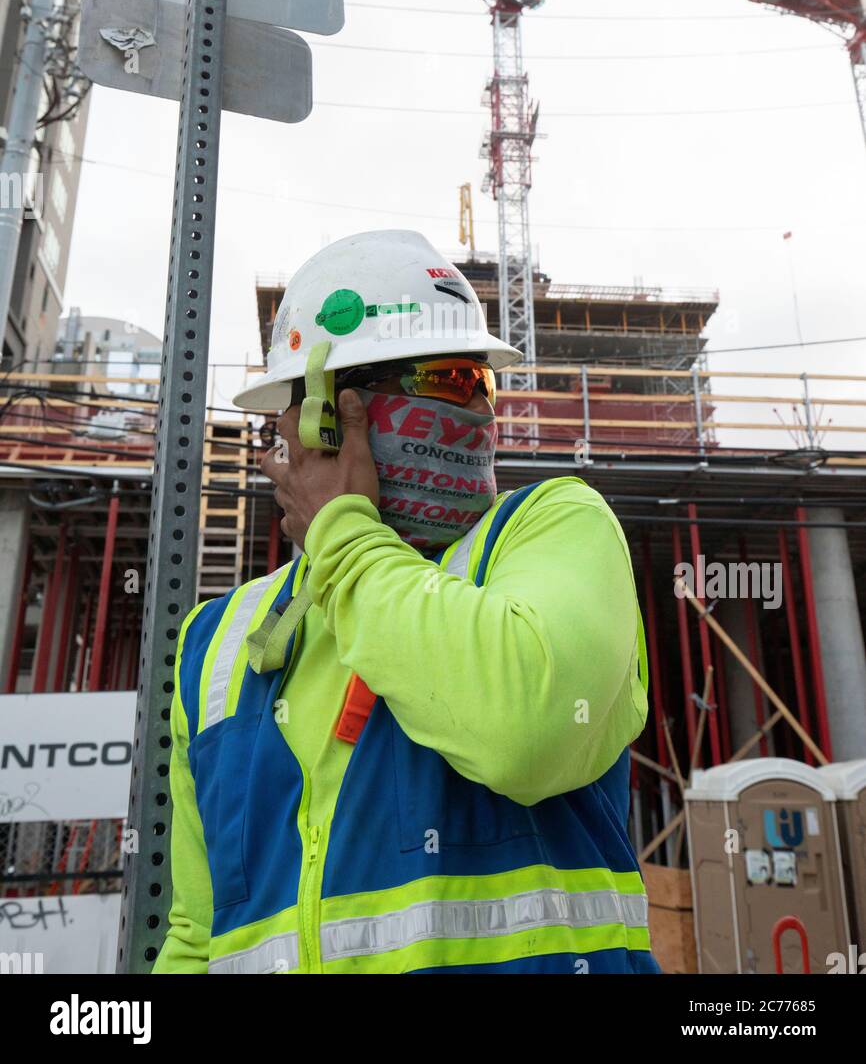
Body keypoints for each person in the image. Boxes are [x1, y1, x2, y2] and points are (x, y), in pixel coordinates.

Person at [153, 229, 659, 974]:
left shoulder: (552, 530)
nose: (477, 413)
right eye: (448, 381)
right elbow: (199, 935)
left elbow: (528, 727)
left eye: (479, 383)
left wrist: (344, 539)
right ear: (327, 417)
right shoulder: (217, 642)